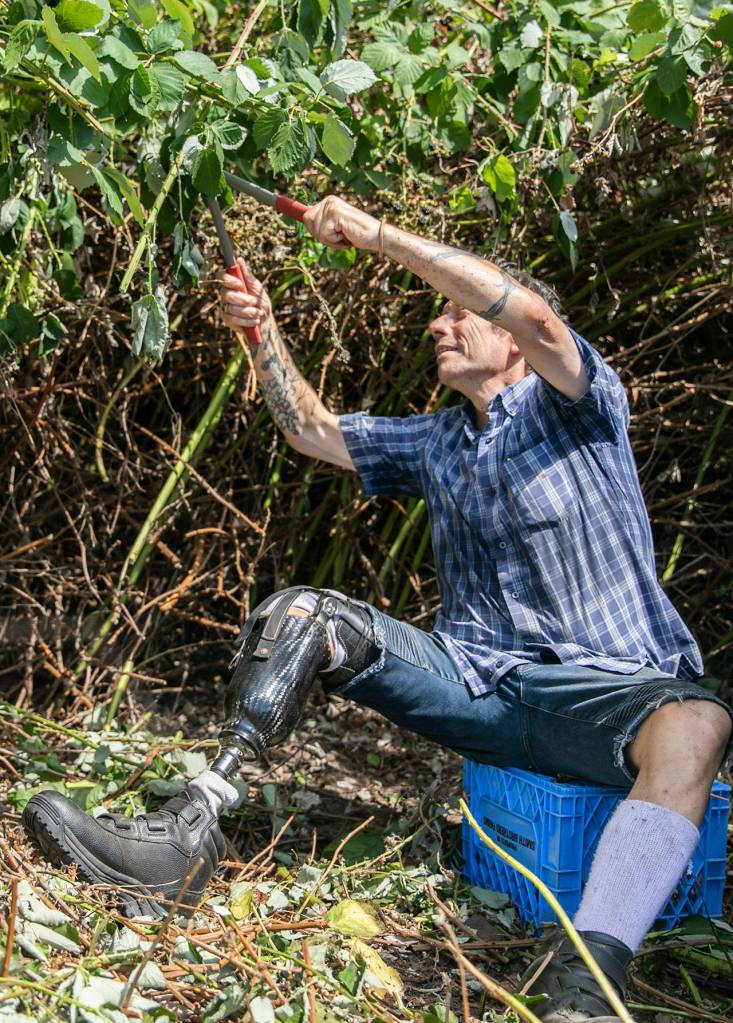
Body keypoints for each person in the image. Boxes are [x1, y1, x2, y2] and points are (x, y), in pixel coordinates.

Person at [24, 196, 732, 1022]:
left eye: (458, 313)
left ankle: (588, 975)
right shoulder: (438, 439)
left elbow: (534, 312)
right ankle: (185, 831)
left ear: (509, 340)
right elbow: (311, 429)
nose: (438, 328)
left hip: (610, 690)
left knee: (698, 723)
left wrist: (374, 235)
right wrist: (261, 333)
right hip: (479, 687)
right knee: (301, 611)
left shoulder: (577, 409)